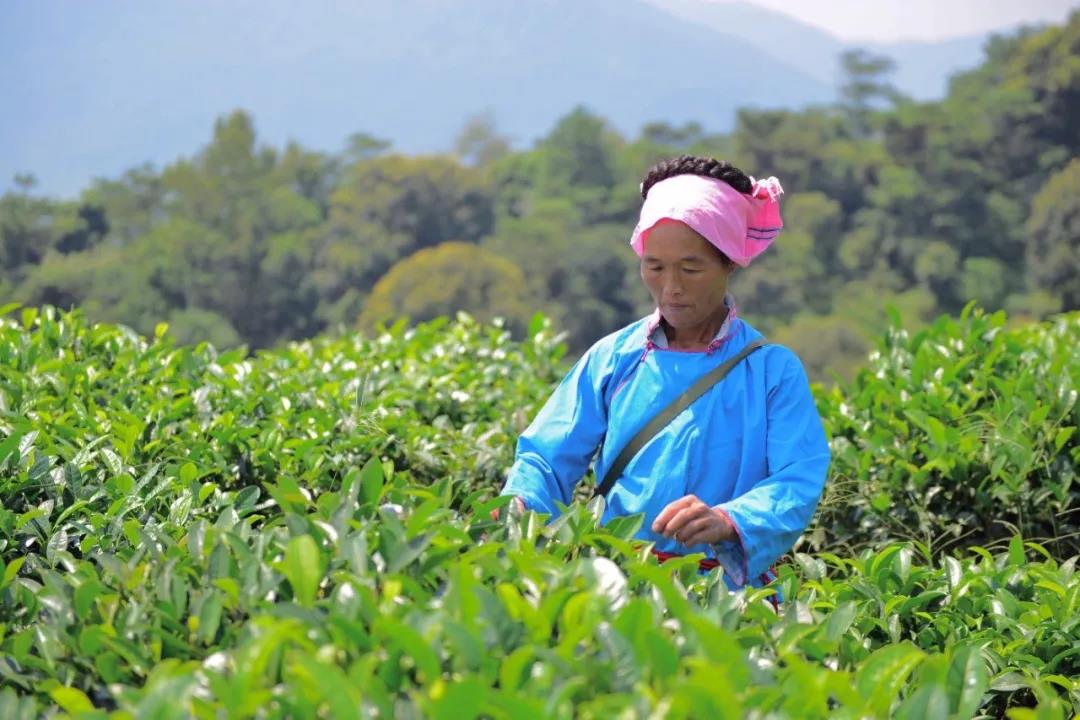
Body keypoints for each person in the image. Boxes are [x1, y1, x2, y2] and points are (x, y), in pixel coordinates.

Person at [498, 155, 831, 591]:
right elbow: (546, 455)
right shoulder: (614, 358)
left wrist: (728, 520)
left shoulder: (772, 372)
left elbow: (797, 477)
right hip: (619, 585)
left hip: (725, 596)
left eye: (690, 269)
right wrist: (522, 504)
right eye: (654, 266)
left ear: (729, 262)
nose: (671, 287)